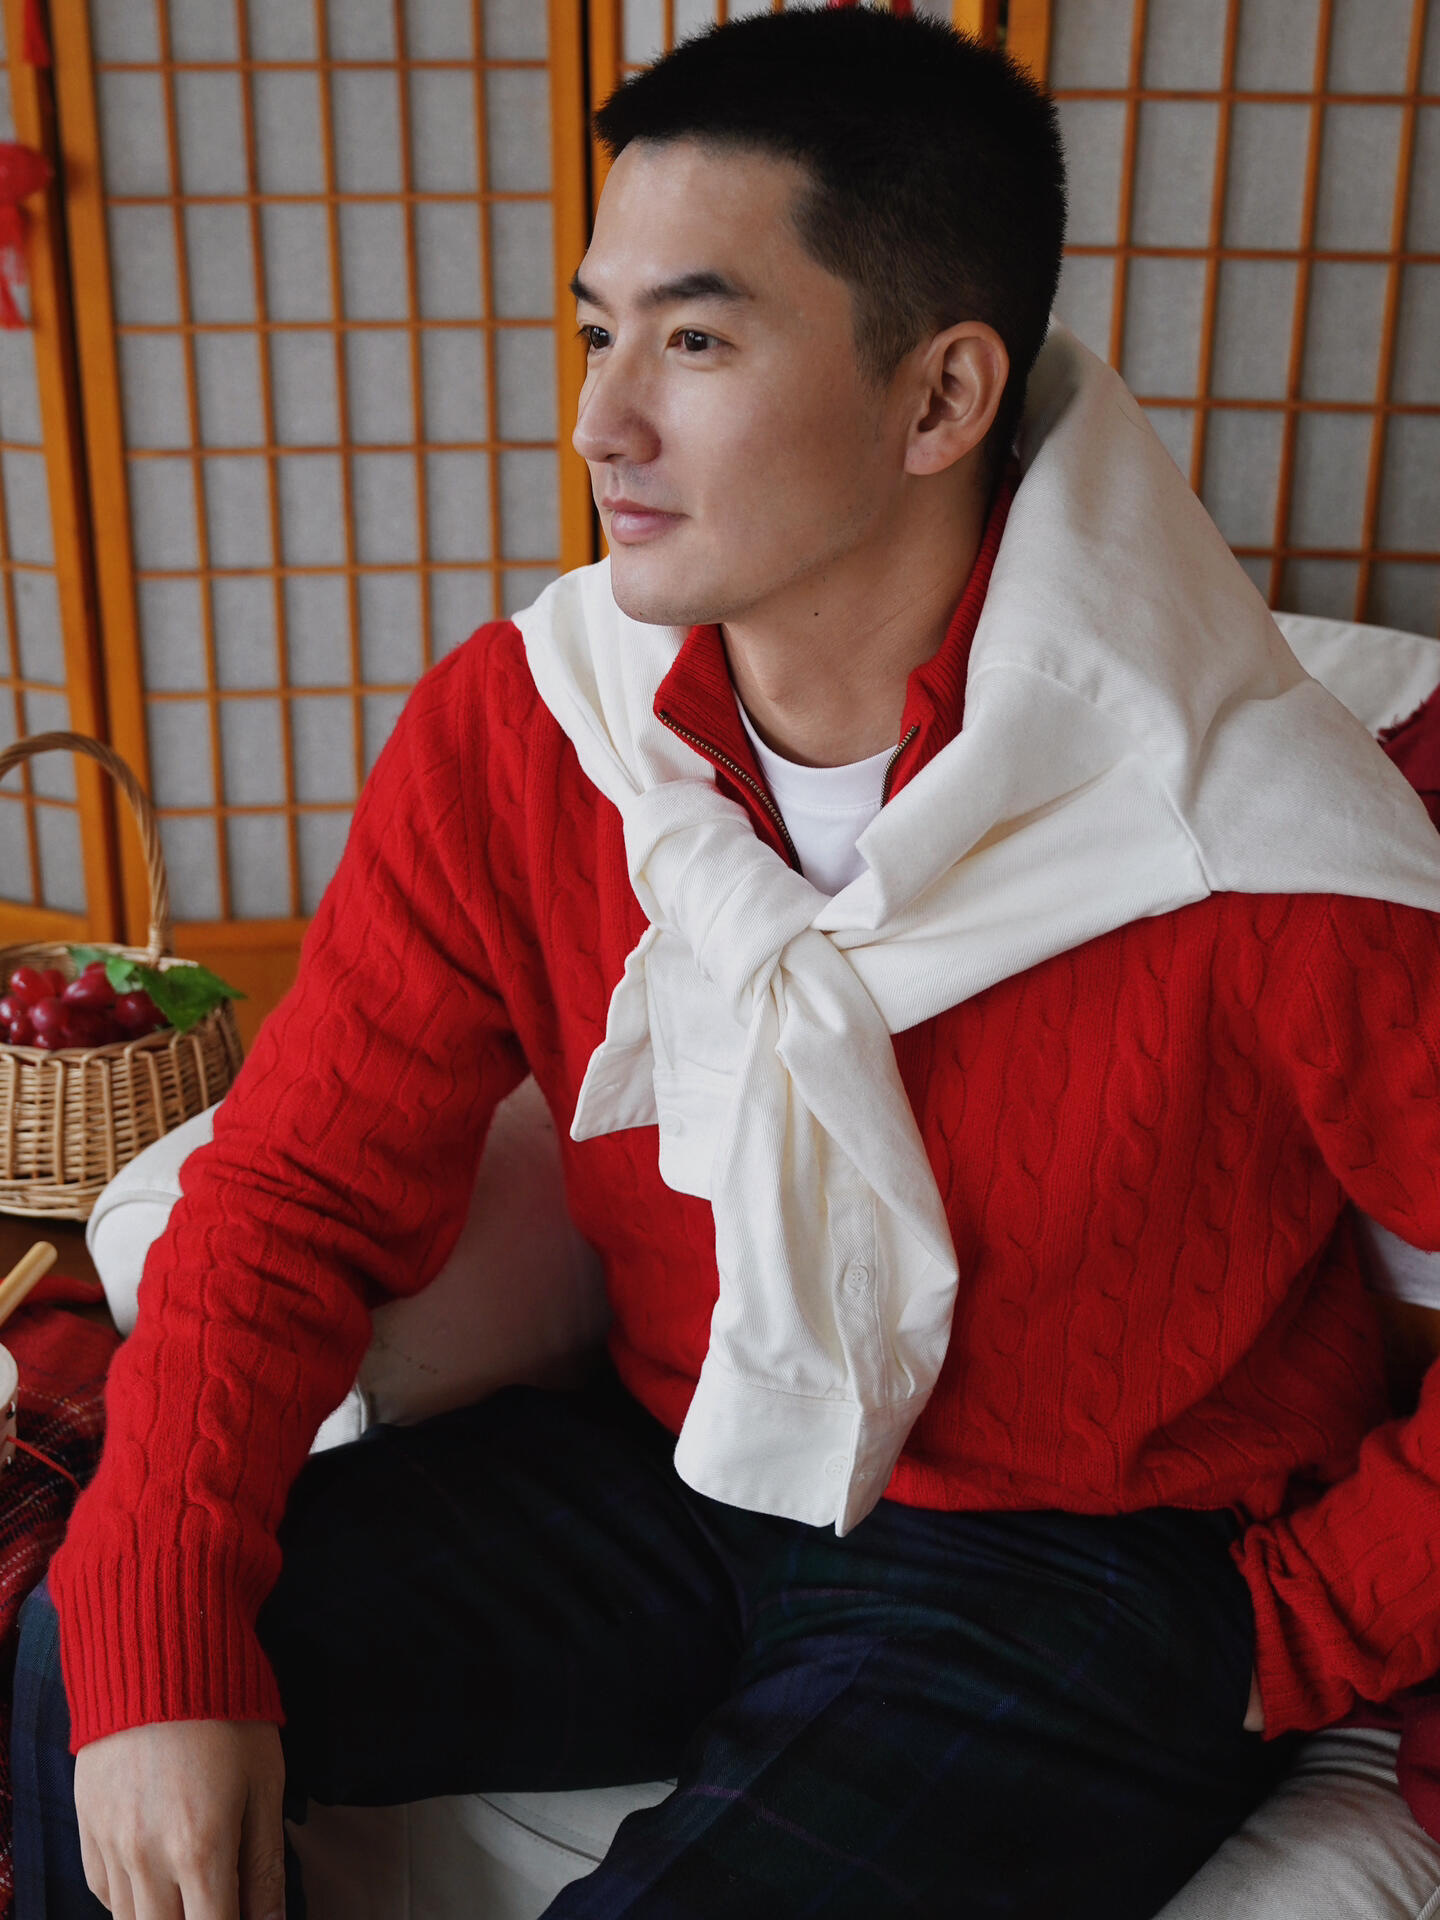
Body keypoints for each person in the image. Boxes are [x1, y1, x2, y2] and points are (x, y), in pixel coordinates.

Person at [15, 8, 1440, 1918]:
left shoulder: (1252, 828)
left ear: (940, 399)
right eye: (597, 332)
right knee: (99, 1654)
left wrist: (1305, 1627)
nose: (600, 422)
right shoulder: (534, 730)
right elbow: (289, 1198)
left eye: (693, 342)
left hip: (1080, 1564)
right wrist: (160, 1626)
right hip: (691, 1461)